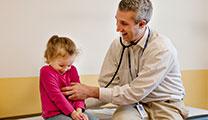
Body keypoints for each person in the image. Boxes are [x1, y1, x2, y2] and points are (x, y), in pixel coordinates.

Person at [61, 0, 189, 119]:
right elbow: (108, 89)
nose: (117, 28)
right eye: (117, 21)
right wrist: (73, 106)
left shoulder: (161, 48)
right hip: (133, 104)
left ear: (142, 24)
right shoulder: (117, 45)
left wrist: (89, 90)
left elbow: (135, 92)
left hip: (165, 104)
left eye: (124, 23)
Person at [39, 35, 97, 120]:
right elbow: (56, 96)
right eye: (61, 65)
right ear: (49, 58)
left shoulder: (72, 70)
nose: (66, 69)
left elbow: (78, 93)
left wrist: (79, 111)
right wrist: (72, 113)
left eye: (69, 65)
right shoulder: (46, 71)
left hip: (74, 111)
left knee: (92, 118)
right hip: (54, 113)